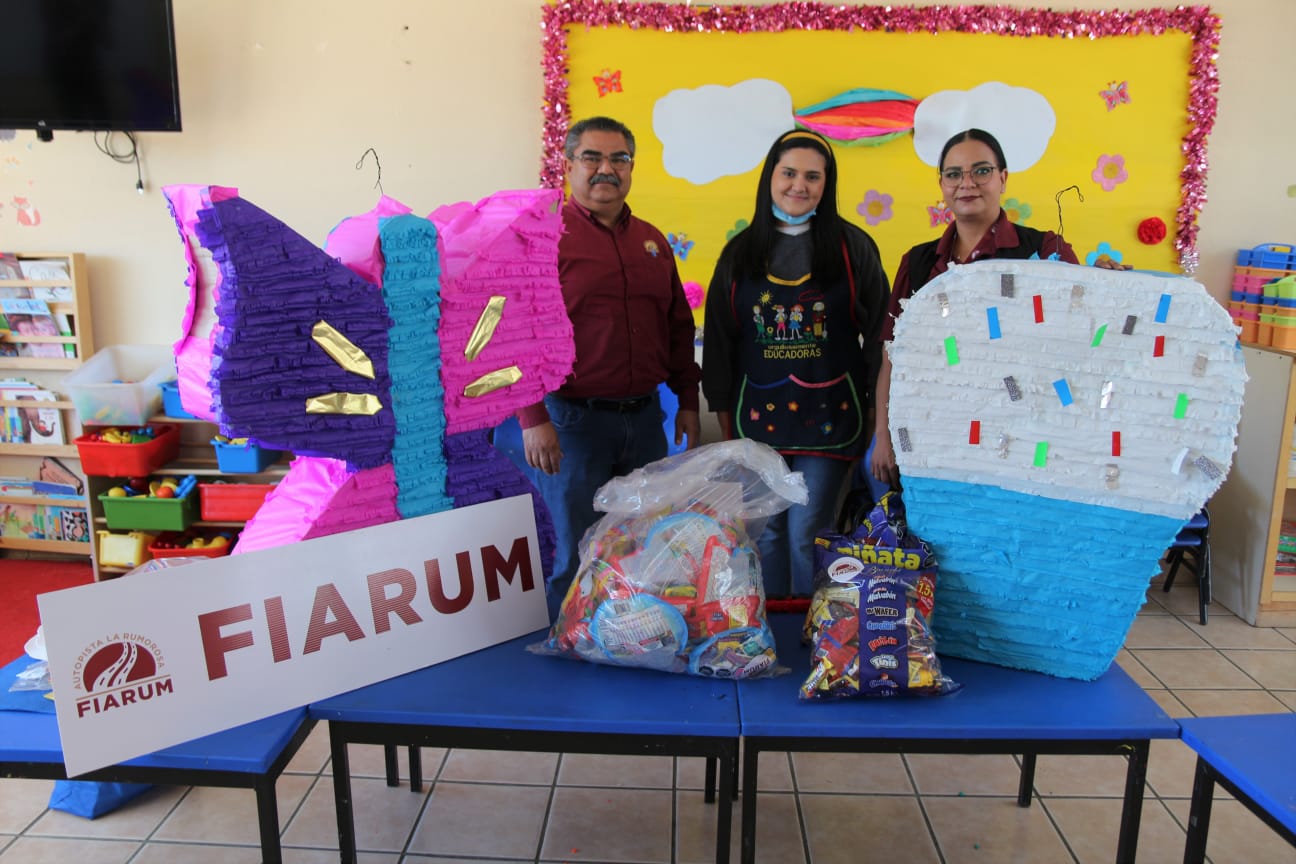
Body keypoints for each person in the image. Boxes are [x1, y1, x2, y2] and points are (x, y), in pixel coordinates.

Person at [517, 115, 702, 618]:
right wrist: (533, 419)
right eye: (592, 158)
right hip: (570, 423)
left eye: (618, 159)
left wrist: (688, 401)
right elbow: (517, 330)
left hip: (645, 421)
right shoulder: (544, 239)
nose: (606, 170)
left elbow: (678, 325)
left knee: (641, 544)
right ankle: (568, 644)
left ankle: (632, 635)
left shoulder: (652, 241)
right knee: (571, 548)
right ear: (569, 165)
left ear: (632, 168)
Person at [870, 127, 1125, 490]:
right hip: (934, 430)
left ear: (1003, 178)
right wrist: (884, 435)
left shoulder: (1043, 250)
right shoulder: (919, 262)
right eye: (954, 174)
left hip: (1021, 437)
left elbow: (1080, 341)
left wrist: (1107, 286)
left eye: (981, 171)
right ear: (941, 183)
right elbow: (892, 356)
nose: (967, 183)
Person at [702, 129, 890, 597]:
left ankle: (818, 641)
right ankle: (773, 637)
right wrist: (723, 417)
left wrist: (876, 413)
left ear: (827, 185)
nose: (798, 185)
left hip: (831, 417)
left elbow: (883, 340)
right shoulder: (739, 254)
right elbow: (722, 340)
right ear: (771, 177)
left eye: (812, 176)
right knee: (765, 533)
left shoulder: (853, 248)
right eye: (789, 173)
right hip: (756, 419)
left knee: (810, 532)